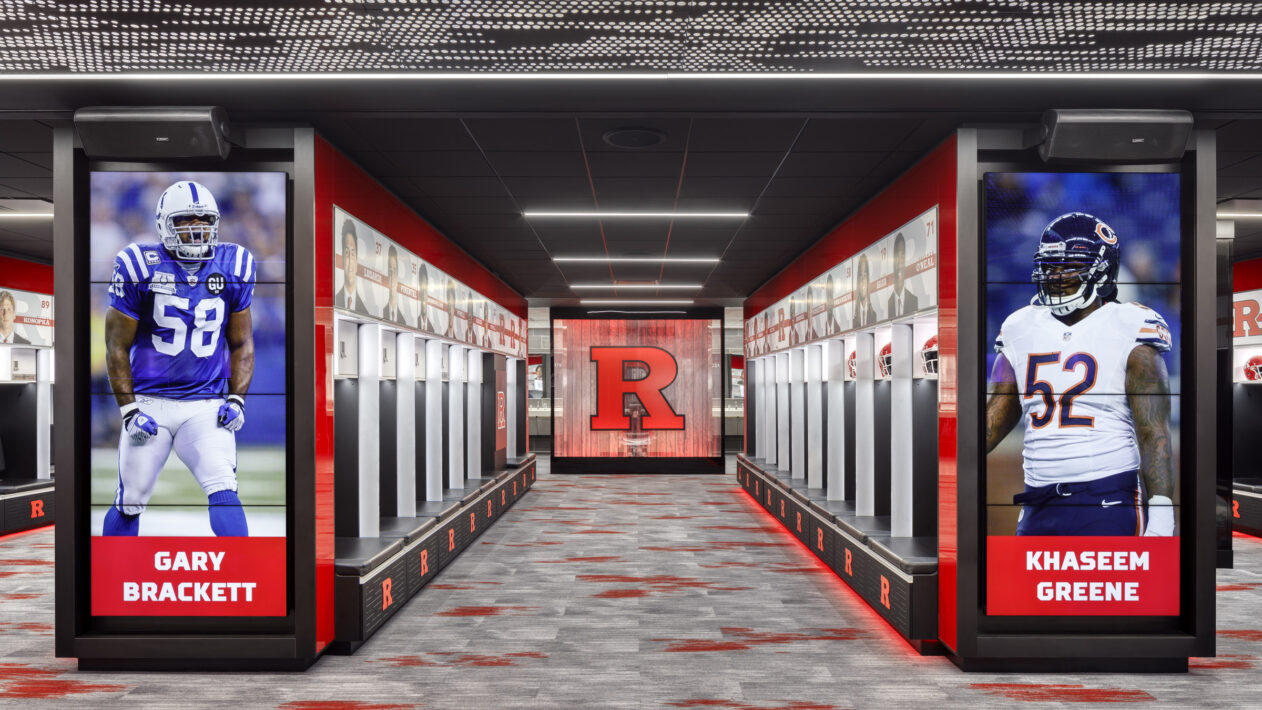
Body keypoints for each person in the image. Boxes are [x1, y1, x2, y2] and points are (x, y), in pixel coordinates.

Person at [984, 212, 1174, 537]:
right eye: (1049, 266)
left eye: (1069, 266)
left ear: (1102, 271)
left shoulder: (1129, 324)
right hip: (1037, 500)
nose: (1055, 276)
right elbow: (996, 415)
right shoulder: (1019, 326)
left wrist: (1161, 515)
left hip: (1108, 496)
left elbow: (1154, 432)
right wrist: (947, 456)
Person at [102, 180, 255, 537]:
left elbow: (242, 342)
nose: (197, 228)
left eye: (205, 220)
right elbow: (116, 346)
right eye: (186, 220)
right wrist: (129, 410)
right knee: (130, 500)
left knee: (224, 488)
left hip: (205, 404)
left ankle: (241, 569)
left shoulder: (234, 263)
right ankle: (113, 568)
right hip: (150, 402)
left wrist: (237, 399)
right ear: (164, 224)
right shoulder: (138, 264)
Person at [335, 218, 370, 316]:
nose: (350, 260)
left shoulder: (365, 312)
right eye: (347, 253)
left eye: (353, 253)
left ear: (357, 260)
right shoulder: (334, 300)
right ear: (342, 258)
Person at [886, 232, 919, 318]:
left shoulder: (914, 300)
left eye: (902, 256)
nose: (899, 262)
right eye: (897, 257)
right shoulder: (888, 303)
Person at [380, 245, 407, 325]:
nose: (392, 276)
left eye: (394, 271)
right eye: (389, 271)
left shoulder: (403, 321)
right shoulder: (381, 313)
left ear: (398, 275)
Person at [853, 254, 877, 328]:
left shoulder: (873, 315)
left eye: (865, 276)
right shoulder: (854, 319)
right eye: (860, 276)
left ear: (868, 280)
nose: (863, 280)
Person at [416, 264, 432, 332]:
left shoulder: (432, 329)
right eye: (422, 290)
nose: (424, 294)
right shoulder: (415, 324)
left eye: (425, 290)